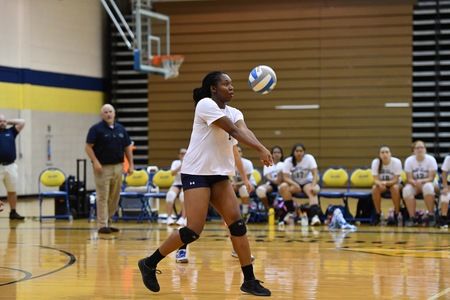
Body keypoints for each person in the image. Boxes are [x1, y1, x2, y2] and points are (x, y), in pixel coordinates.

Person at [138, 71, 273, 296]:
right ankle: (149, 263)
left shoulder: (235, 111)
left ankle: (249, 280)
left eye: (232, 84)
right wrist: (260, 149)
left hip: (219, 174)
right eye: (226, 84)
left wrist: (261, 146)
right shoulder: (205, 104)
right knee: (193, 230)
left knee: (237, 225)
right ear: (213, 88)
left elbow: (244, 129)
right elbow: (233, 130)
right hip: (196, 173)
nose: (231, 87)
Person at [85, 104, 134, 234]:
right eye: (105, 112)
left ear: (114, 113)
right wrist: (95, 162)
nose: (108, 114)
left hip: (118, 167)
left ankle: (109, 220)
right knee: (103, 196)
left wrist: (131, 165)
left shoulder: (120, 129)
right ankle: (102, 224)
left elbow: (127, 147)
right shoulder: (96, 129)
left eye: (110, 111)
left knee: (114, 196)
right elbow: (88, 147)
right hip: (102, 168)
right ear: (102, 115)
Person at [278, 144, 321, 227]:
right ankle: (290, 212)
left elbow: (315, 174)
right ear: (293, 152)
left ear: (304, 152)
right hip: (294, 184)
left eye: (301, 151)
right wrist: (295, 184)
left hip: (307, 182)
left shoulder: (309, 158)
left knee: (312, 190)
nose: (299, 153)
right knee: (283, 187)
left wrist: (313, 185)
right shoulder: (288, 161)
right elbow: (285, 177)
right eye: (297, 151)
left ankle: (314, 217)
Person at [403, 140, 438, 227]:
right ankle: (412, 217)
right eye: (417, 148)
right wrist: (414, 183)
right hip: (414, 184)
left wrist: (421, 181)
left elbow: (431, 178)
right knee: (406, 190)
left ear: (425, 149)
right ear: (413, 151)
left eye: (422, 147)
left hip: (429, 182)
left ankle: (431, 215)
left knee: (427, 187)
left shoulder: (431, 159)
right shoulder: (409, 161)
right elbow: (409, 178)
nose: (420, 149)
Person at [0, 114, 25, 220]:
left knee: (12, 190)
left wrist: (7, 121)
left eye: (4, 121)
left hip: (10, 166)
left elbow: (22, 122)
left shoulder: (11, 132)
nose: (3, 123)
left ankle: (13, 212)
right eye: (0, 121)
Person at [370, 145, 402, 226]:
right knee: (374, 188)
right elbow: (375, 179)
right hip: (382, 185)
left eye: (387, 152)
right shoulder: (376, 162)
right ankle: (378, 213)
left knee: (394, 188)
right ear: (379, 155)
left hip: (394, 184)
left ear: (390, 154)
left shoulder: (397, 162)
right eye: (382, 152)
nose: (385, 154)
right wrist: (379, 184)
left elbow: (396, 179)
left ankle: (396, 213)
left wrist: (386, 183)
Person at [232, 145, 257, 220]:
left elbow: (247, 180)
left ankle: (245, 213)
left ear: (241, 153)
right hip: (236, 185)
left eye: (239, 151)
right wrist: (233, 184)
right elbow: (230, 178)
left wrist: (235, 184)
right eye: (235, 151)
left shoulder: (247, 163)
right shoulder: (229, 163)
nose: (237, 153)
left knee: (243, 188)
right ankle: (231, 214)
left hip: (250, 184)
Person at [255, 145, 284, 210]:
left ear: (281, 154)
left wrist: (278, 181)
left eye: (278, 152)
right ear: (272, 154)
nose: (276, 154)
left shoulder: (284, 164)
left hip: (282, 184)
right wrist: (275, 181)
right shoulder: (268, 164)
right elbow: (267, 176)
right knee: (260, 190)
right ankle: (267, 207)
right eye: (275, 152)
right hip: (271, 184)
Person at [165, 148, 187, 226]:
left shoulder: (191, 163)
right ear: (179, 155)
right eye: (181, 153)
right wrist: (181, 165)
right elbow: (172, 173)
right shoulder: (175, 163)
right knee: (170, 195)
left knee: (183, 196)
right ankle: (169, 217)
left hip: (186, 183)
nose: (183, 155)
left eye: (185, 153)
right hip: (177, 183)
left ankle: (183, 218)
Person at [438, 155, 450, 229]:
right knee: (445, 195)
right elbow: (444, 173)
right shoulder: (448, 158)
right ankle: (443, 218)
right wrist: (445, 186)